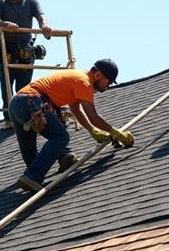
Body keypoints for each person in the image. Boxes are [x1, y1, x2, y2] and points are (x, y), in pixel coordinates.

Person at [9, 59, 135, 193]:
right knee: (60, 137)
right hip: (31, 101)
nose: (107, 86)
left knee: (34, 159)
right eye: (108, 82)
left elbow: (76, 109)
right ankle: (33, 175)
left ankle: (60, 160)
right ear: (98, 75)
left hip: (17, 104)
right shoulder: (84, 82)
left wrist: (92, 130)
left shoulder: (77, 78)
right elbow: (93, 116)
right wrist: (116, 132)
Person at [0, 0, 53, 128]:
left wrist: (44, 25)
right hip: (6, 48)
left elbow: (40, 15)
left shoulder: (31, 1)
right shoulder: (0, 1)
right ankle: (9, 118)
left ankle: (23, 117)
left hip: (25, 48)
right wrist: (3, 23)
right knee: (7, 85)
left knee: (24, 88)